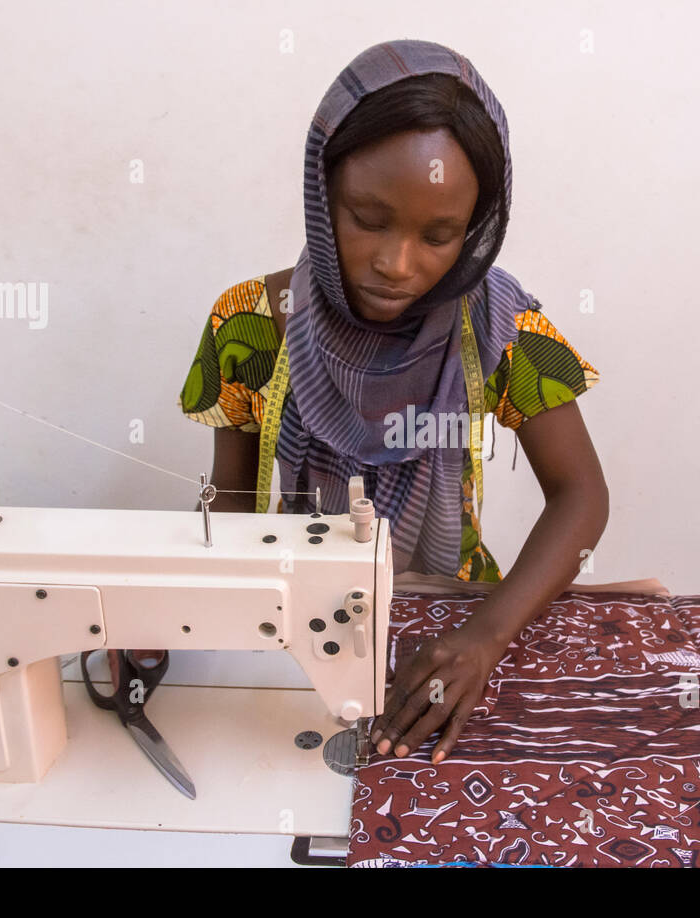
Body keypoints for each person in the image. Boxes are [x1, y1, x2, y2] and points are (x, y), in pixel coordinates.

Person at [177, 39, 608, 764]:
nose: (396, 263)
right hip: (293, 613)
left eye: (439, 235)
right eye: (368, 218)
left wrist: (484, 638)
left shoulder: (503, 328)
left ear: (475, 229)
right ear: (322, 195)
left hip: (459, 618)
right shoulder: (249, 324)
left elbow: (583, 496)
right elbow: (228, 504)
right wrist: (179, 612)